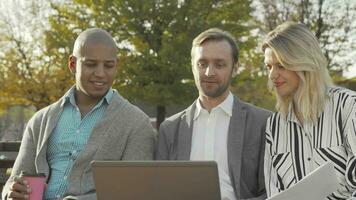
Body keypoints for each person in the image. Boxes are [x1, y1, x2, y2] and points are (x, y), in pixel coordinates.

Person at [2, 28, 156, 200]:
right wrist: (11, 192)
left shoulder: (136, 124)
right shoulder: (40, 121)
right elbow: (13, 181)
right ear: (73, 64)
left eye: (108, 65)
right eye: (90, 64)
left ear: (116, 65)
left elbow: (134, 190)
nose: (100, 73)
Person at [156, 28, 271, 200]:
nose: (209, 72)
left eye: (219, 64)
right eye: (202, 64)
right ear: (192, 66)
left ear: (235, 68)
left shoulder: (263, 123)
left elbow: (271, 191)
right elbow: (159, 190)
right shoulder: (169, 129)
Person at [263, 21, 356, 199]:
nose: (272, 75)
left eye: (281, 65)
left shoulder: (348, 106)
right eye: (269, 66)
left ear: (304, 63)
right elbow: (273, 190)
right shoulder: (273, 127)